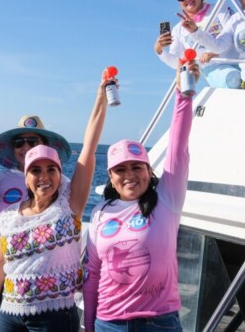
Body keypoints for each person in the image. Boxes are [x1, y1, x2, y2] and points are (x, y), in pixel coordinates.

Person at [82, 63, 199, 332]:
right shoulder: (100, 212)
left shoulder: (167, 199)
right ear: (110, 177)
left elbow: (178, 148)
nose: (129, 175)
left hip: (159, 322)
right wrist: (89, 326)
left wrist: (183, 96)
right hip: (108, 323)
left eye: (136, 167)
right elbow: (93, 276)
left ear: (149, 171)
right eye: (120, 170)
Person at [0, 75, 109, 332]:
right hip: (9, 315)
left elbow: (89, 147)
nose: (44, 177)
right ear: (26, 177)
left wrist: (101, 97)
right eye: (36, 171)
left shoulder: (70, 204)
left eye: (51, 170)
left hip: (54, 316)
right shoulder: (9, 216)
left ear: (59, 173)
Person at [155, 0, 240, 89]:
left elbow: (236, 35)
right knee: (233, 79)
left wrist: (215, 52)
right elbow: (176, 63)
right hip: (215, 70)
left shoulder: (220, 8)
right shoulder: (178, 29)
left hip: (237, 60)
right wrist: (159, 51)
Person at [0, 115, 72, 215]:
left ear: (45, 145)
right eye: (19, 143)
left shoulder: (63, 183)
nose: (26, 147)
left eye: (32, 142)